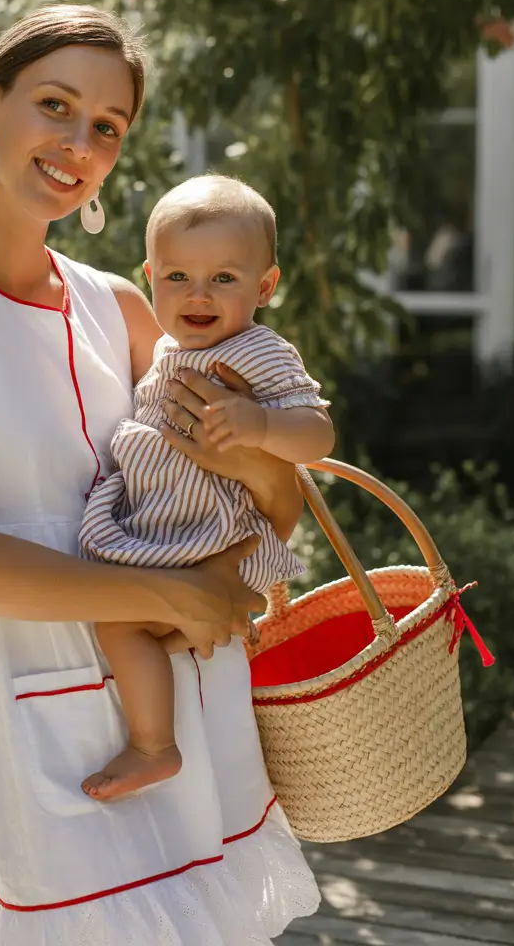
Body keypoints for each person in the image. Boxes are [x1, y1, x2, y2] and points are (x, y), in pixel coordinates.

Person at [0, 4, 321, 944]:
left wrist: (234, 538)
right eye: (56, 105)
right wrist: (178, 594)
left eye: (106, 128)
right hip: (55, 750)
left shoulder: (125, 306)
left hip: (197, 711)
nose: (78, 144)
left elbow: (275, 499)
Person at [80, 176, 334, 801]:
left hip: (213, 537)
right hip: (169, 534)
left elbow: (318, 436)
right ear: (149, 275)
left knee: (118, 623)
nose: (198, 294)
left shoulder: (258, 352)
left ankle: (152, 747)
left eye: (224, 278)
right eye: (177, 278)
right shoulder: (165, 348)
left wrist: (264, 424)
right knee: (132, 627)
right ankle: (165, 732)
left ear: (265, 287)